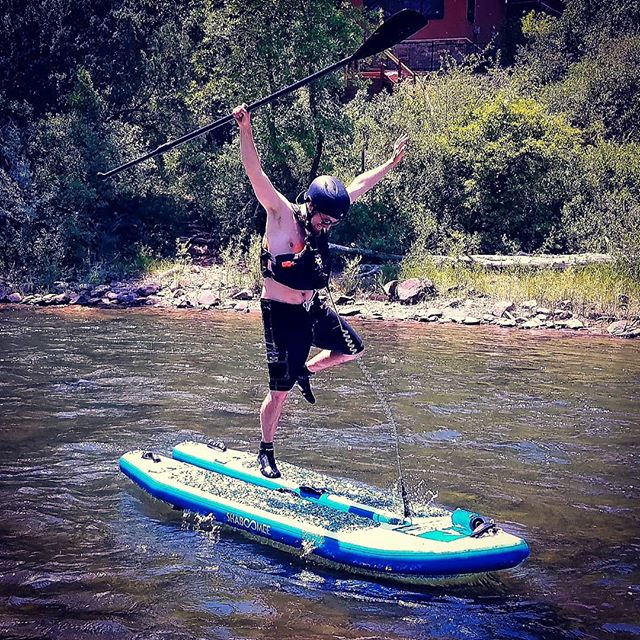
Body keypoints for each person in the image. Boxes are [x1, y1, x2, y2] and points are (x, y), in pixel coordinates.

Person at [232, 103, 407, 479]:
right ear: (310, 205)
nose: (326, 227)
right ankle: (265, 451)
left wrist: (391, 164)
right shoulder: (280, 215)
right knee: (278, 391)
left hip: (312, 309)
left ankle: (304, 371)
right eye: (323, 220)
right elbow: (255, 173)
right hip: (280, 315)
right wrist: (246, 128)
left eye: (333, 222)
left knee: (351, 348)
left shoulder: (327, 215)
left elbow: (359, 183)